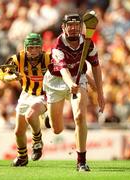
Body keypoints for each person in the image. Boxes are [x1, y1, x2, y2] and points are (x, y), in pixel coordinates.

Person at [43, 13, 105, 172]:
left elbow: (96, 67)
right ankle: (49, 116)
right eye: (69, 25)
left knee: (79, 115)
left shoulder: (89, 43)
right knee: (57, 130)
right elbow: (63, 70)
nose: (73, 28)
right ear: (63, 27)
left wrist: (100, 94)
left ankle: (81, 161)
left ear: (81, 26)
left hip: (79, 78)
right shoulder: (57, 45)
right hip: (57, 81)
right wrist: (70, 83)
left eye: (76, 25)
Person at [0, 33, 50, 166]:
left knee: (31, 116)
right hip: (26, 94)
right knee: (18, 131)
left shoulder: (48, 58)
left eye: (37, 47)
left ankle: (37, 141)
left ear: (41, 48)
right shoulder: (17, 58)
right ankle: (22, 157)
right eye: (30, 48)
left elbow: (62, 73)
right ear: (25, 48)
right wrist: (11, 78)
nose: (33, 51)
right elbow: (1, 73)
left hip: (44, 94)